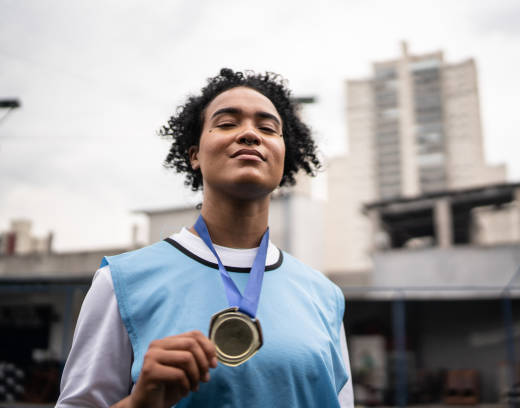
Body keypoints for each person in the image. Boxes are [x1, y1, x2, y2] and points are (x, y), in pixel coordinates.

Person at [56, 68, 353, 408]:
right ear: (194, 154)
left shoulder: (325, 296)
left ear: (283, 158)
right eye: (227, 124)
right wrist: (138, 403)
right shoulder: (120, 283)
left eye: (268, 128)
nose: (250, 134)